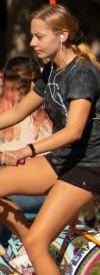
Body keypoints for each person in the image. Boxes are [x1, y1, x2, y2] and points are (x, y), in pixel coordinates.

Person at [4, 5, 100, 275]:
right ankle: (28, 244)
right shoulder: (51, 72)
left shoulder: (82, 73)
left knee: (40, 240)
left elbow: (73, 131)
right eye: (32, 35)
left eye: (38, 36)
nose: (32, 42)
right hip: (62, 161)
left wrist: (26, 149)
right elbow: (16, 112)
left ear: (62, 35)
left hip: (90, 167)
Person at [0, 57, 52, 250]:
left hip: (30, 191)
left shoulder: (10, 113)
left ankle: (28, 244)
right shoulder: (48, 111)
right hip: (46, 191)